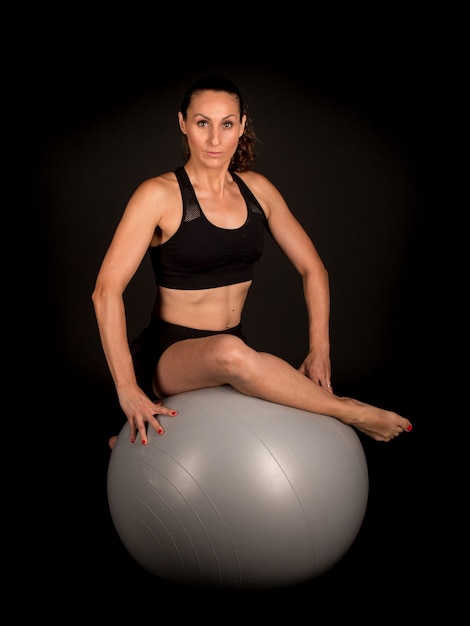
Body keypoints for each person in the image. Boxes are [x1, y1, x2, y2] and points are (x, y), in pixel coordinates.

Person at [92, 74, 412, 449]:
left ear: (242, 126)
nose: (215, 140)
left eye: (227, 124)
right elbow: (105, 292)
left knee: (234, 360)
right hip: (169, 351)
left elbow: (314, 269)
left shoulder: (257, 190)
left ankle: (125, 445)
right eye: (202, 123)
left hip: (234, 347)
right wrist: (127, 388)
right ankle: (350, 411)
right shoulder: (157, 195)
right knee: (230, 354)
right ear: (182, 123)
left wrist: (319, 349)